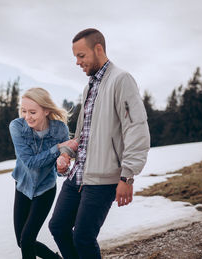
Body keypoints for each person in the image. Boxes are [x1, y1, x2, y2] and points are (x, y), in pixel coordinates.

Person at [48, 28, 151, 259]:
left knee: (83, 238)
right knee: (58, 227)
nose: (77, 62)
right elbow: (82, 135)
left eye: (81, 56)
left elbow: (136, 128)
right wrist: (66, 154)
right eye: (75, 57)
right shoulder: (89, 87)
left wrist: (127, 175)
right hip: (78, 175)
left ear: (98, 49)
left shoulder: (121, 80)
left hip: (103, 178)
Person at [9, 87, 78, 259]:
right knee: (22, 241)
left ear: (46, 110)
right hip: (23, 187)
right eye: (24, 111)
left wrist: (63, 167)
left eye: (32, 112)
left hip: (45, 189)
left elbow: (60, 168)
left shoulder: (59, 129)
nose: (27, 116)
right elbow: (31, 163)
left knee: (27, 239)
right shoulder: (17, 127)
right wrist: (57, 149)